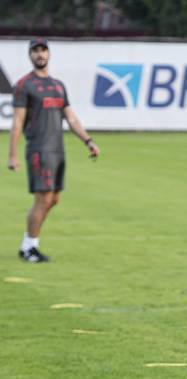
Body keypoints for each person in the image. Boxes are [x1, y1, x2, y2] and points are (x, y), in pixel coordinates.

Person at [7, 38, 101, 263]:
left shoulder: (58, 86)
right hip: (39, 149)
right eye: (35, 51)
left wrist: (88, 141)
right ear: (30, 55)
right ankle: (30, 247)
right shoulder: (24, 85)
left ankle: (27, 243)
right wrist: (12, 154)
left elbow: (71, 117)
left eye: (43, 50)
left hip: (58, 150)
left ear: (49, 54)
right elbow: (18, 122)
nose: (40, 54)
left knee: (54, 199)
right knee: (43, 199)